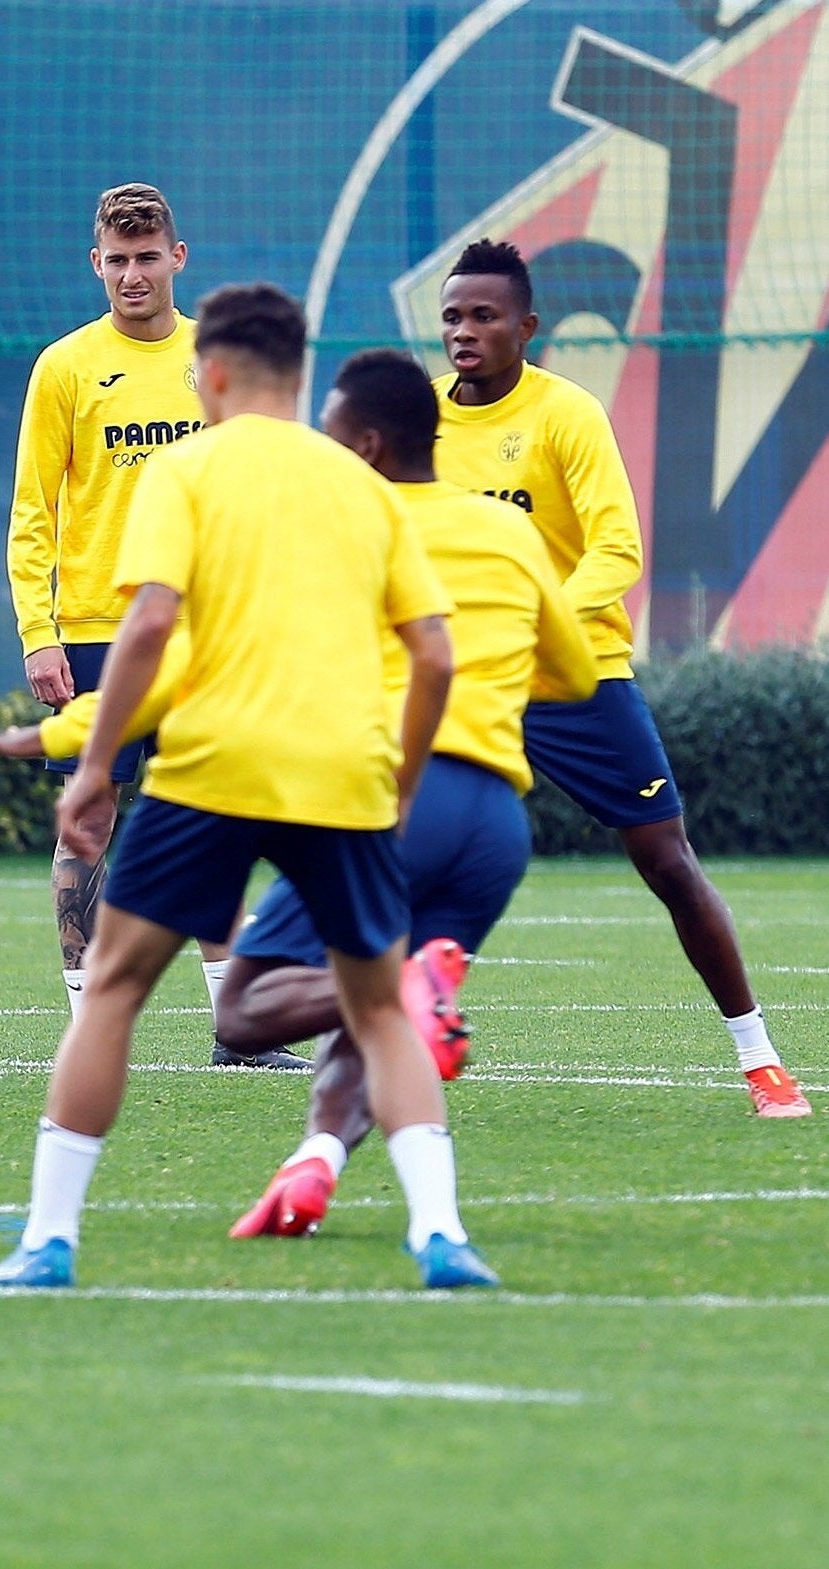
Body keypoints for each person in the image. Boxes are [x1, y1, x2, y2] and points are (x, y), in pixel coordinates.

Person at [0, 284, 500, 1293]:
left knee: (115, 994)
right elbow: (432, 657)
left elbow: (145, 627)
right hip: (338, 774)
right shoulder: (359, 483)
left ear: (208, 374)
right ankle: (439, 1234)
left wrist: (91, 773)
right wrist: (394, 778)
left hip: (209, 766)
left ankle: (48, 1241)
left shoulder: (182, 469)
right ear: (300, 377)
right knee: (381, 1012)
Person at [202, 349, 598, 1236]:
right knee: (378, 1014)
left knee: (247, 1006)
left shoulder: (345, 526)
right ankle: (316, 1162)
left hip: (389, 800)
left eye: (332, 438)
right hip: (495, 824)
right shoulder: (507, 531)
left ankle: (415, 983)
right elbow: (573, 674)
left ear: (371, 447)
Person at [435, 239, 808, 1118]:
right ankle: (390, 1034)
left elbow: (618, 550)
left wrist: (537, 625)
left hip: (576, 675)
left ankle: (760, 1060)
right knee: (406, 850)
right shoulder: (419, 423)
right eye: (452, 316)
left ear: (526, 327)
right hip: (463, 683)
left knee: (667, 860)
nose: (465, 331)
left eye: (484, 316)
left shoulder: (568, 415)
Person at [4, 184, 287, 1067]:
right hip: (94, 627)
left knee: (212, 817)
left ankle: (236, 1030)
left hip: (205, 633)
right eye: (117, 260)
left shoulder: (218, 360)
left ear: (178, 258)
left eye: (147, 257)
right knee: (88, 816)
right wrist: (38, 630)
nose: (132, 274)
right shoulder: (64, 366)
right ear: (97, 263)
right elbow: (32, 511)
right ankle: (90, 1020)